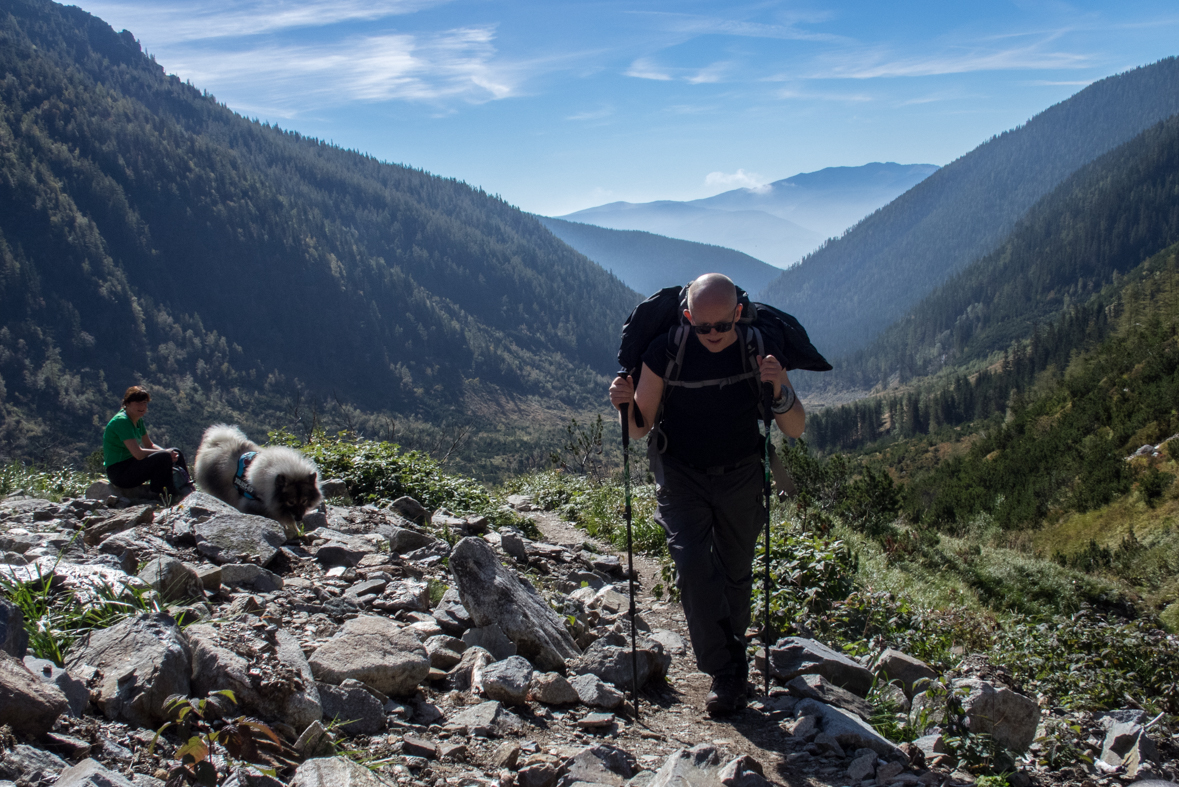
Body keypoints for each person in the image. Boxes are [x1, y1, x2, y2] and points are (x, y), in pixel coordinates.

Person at [609, 273, 805, 716]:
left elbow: (794, 427)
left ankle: (730, 663)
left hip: (741, 474)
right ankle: (726, 673)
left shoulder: (757, 350)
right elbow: (640, 428)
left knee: (736, 573)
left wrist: (778, 386)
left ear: (738, 313)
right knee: (696, 568)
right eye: (703, 327)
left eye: (723, 325)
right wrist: (624, 405)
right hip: (681, 475)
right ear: (687, 317)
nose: (714, 335)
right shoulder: (665, 352)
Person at [102, 386, 193, 501]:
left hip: (132, 465)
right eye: (138, 403)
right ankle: (161, 494)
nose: (143, 407)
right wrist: (165, 453)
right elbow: (138, 453)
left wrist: (170, 453)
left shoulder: (137, 419)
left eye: (144, 403)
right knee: (164, 456)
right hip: (120, 473)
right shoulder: (121, 421)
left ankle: (186, 488)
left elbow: (149, 445)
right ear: (127, 403)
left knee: (175, 452)